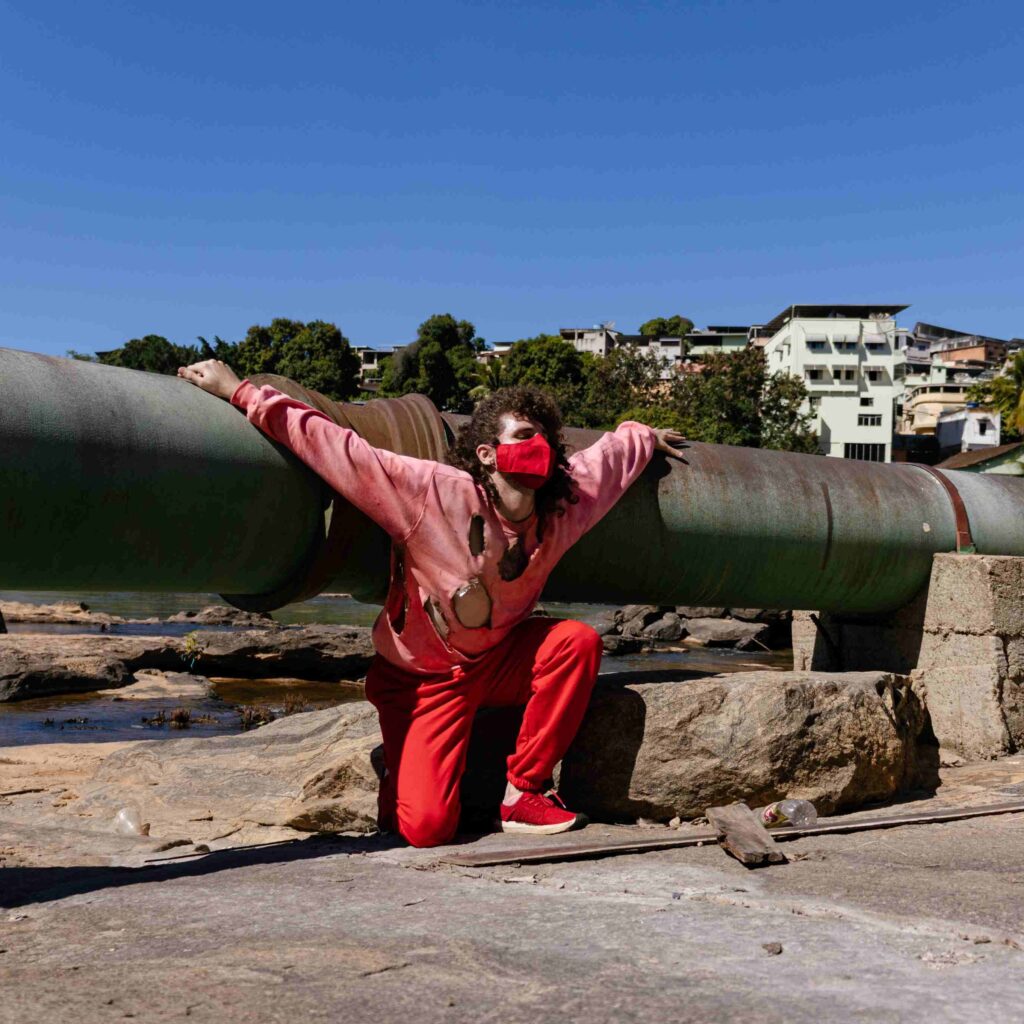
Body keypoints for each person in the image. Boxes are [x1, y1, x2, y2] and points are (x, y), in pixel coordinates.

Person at [178, 359, 685, 847]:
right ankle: (402, 767)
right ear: (487, 454)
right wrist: (240, 391)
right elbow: (341, 449)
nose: (540, 449)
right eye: (523, 438)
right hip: (424, 680)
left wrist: (643, 437)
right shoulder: (435, 493)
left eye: (546, 440)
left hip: (496, 659)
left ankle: (525, 792)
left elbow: (609, 462)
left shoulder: (562, 506)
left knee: (576, 641)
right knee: (427, 830)